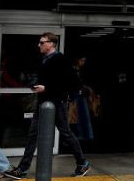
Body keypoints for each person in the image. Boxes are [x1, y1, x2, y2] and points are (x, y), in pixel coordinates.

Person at [7, 33, 90, 179]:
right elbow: (47, 80)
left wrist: (47, 88)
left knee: (65, 133)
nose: (38, 45)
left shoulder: (61, 60)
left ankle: (82, 162)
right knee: (33, 135)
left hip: (57, 103)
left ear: (51, 43)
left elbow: (72, 83)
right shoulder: (44, 60)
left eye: (41, 42)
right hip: (43, 103)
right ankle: (22, 168)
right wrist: (36, 85)